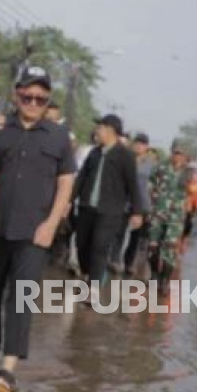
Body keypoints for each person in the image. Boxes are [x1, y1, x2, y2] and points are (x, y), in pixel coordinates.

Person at [0, 65, 75, 392]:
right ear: (17, 94)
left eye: (40, 97)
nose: (33, 101)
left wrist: (52, 223)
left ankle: (7, 370)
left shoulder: (58, 136)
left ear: (47, 100)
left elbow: (66, 182)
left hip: (35, 231)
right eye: (27, 95)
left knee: (23, 296)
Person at [72, 114, 142, 288]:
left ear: (110, 130)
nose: (97, 130)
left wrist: (137, 212)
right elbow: (81, 177)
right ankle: (88, 274)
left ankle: (93, 287)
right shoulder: (94, 152)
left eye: (100, 127)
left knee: (100, 246)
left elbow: (133, 184)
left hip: (110, 211)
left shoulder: (125, 155)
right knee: (82, 244)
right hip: (87, 206)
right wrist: (69, 200)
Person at [148, 140, 192, 295]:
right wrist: (152, 195)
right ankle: (154, 274)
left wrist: (190, 214)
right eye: (176, 153)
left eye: (181, 154)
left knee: (170, 248)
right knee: (153, 246)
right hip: (158, 212)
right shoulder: (160, 167)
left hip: (176, 216)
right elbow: (150, 182)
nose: (178, 156)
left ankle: (164, 281)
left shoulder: (189, 172)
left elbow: (193, 194)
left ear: (186, 156)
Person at [122, 133, 154, 277]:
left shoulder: (151, 165)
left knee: (135, 237)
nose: (138, 146)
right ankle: (115, 260)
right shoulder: (126, 159)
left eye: (142, 144)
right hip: (124, 202)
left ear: (146, 147)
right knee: (119, 232)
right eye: (137, 143)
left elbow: (155, 186)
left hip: (141, 204)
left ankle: (129, 263)